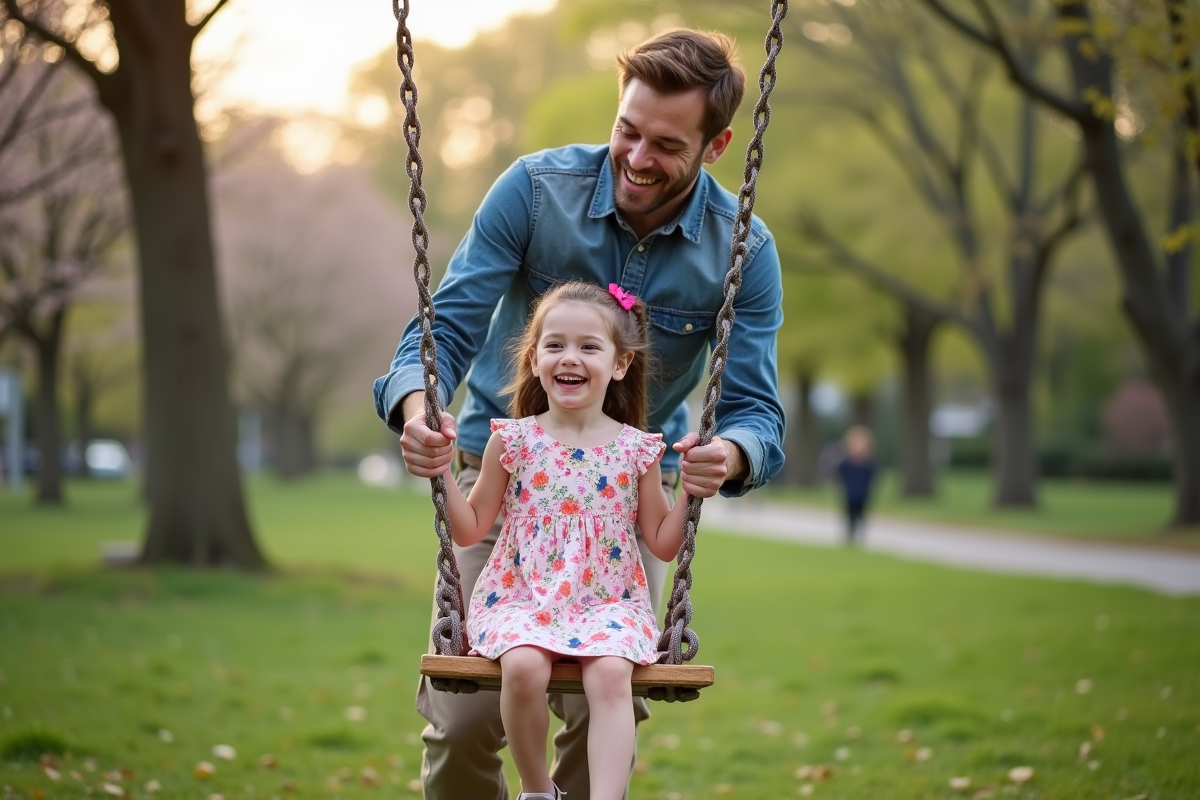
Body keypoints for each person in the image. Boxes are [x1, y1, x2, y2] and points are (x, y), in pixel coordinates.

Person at [373, 28, 787, 800]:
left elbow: (754, 409)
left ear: (718, 145)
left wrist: (726, 455)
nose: (637, 157)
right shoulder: (535, 191)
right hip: (503, 483)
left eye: (667, 145)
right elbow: (444, 331)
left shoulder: (743, 250)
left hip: (621, 506)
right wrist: (416, 409)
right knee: (463, 724)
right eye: (628, 130)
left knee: (603, 710)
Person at [439, 281, 712, 800]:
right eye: (555, 344)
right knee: (523, 666)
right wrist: (440, 475)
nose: (570, 357)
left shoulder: (637, 451)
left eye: (589, 346)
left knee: (610, 675)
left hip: (607, 601)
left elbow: (661, 541)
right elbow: (470, 528)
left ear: (620, 364)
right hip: (522, 597)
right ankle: (538, 791)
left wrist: (693, 493)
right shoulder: (512, 441)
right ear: (535, 359)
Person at [835, 426, 877, 546]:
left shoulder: (868, 463)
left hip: (863, 494)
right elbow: (840, 474)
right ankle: (850, 537)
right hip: (849, 494)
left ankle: (860, 537)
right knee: (850, 516)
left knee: (861, 516)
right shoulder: (846, 463)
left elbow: (872, 477)